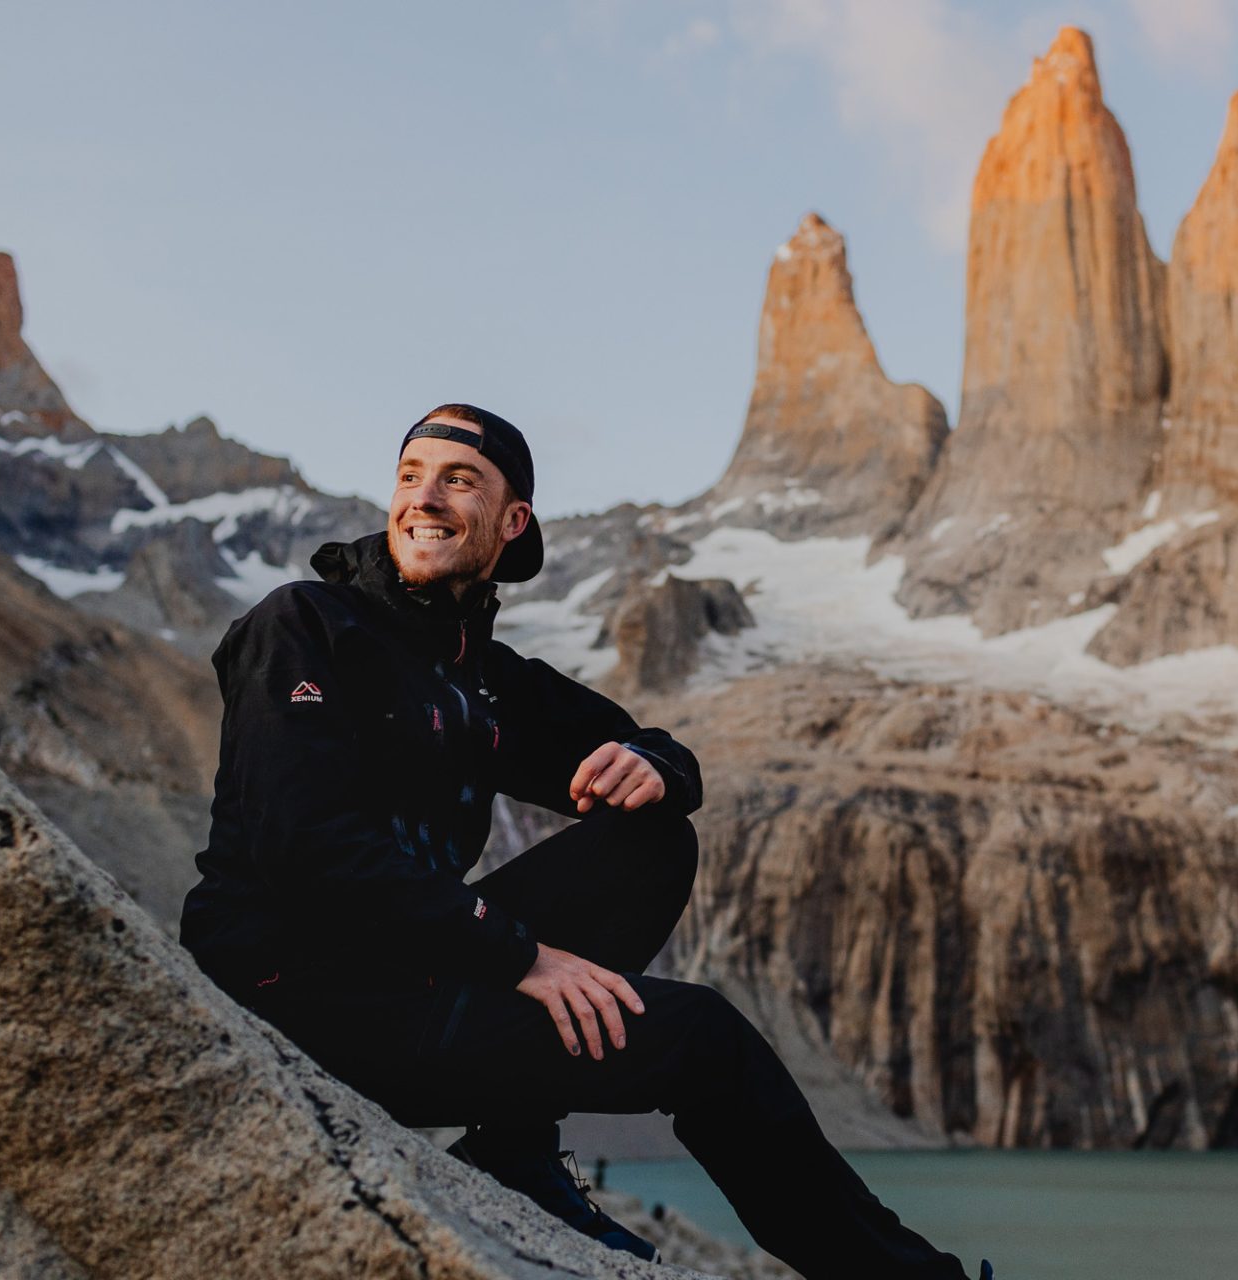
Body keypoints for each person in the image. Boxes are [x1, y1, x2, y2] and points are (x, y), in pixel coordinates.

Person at [179, 403, 991, 1279]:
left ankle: (514, 1153)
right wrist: (517, 955)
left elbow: (652, 748)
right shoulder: (303, 623)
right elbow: (302, 849)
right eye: (411, 476)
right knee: (700, 1039)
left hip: (410, 980)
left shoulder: (482, 678)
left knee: (654, 839)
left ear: (511, 520)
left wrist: (655, 766)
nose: (425, 498)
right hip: (293, 992)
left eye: (459, 480)